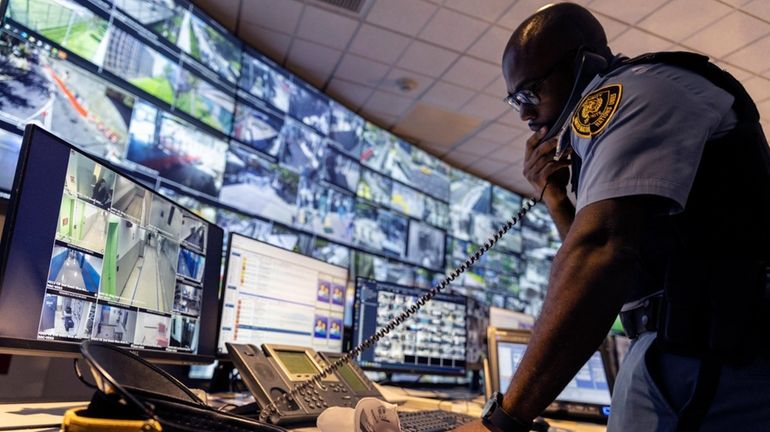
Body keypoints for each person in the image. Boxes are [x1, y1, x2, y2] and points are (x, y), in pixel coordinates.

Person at [455, 3, 770, 432]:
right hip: (685, 350)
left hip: (709, 359)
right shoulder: (620, 120)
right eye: (516, 102)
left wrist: (503, 422)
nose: (526, 115)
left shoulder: (627, 95)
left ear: (584, 62)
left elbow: (601, 255)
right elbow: (629, 281)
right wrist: (556, 199)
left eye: (531, 93)